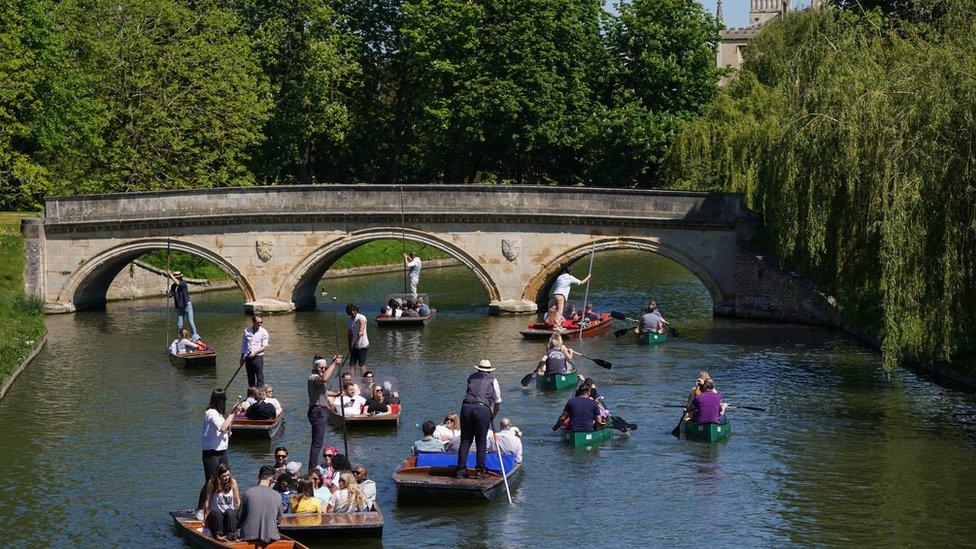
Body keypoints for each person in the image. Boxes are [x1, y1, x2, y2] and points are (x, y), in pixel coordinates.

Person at [197, 390, 242, 514]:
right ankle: (200, 509)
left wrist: (230, 427)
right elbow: (222, 427)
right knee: (210, 481)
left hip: (222, 450)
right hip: (211, 452)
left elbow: (225, 428)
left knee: (225, 478)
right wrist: (232, 413)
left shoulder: (219, 414)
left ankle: (221, 505)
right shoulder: (210, 413)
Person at [457, 359, 502, 478]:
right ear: (490, 371)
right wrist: (492, 415)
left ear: (478, 369)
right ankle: (480, 471)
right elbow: (497, 403)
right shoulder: (493, 380)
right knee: (481, 441)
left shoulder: (471, 377)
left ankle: (461, 471)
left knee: (465, 440)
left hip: (466, 407)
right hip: (482, 410)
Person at [307, 354, 341, 469]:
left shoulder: (319, 379)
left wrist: (335, 394)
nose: (323, 369)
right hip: (317, 411)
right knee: (317, 444)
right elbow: (325, 379)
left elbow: (324, 392)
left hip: (321, 410)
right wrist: (334, 364)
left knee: (317, 443)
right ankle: (312, 469)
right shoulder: (313, 377)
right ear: (315, 367)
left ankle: (313, 468)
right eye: (321, 367)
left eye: (325, 368)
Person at [238, 465, 283, 544]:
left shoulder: (248, 493)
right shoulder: (277, 495)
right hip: (271, 537)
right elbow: (279, 519)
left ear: (259, 476)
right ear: (272, 478)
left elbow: (239, 517)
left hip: (248, 537)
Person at [203, 463, 240, 540]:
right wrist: (205, 520)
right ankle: (218, 536)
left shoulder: (233, 482)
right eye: (224, 476)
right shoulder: (212, 483)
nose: (227, 478)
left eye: (228, 475)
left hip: (228, 517)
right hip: (215, 518)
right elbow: (207, 502)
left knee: (230, 511)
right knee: (217, 512)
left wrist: (239, 520)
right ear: (218, 476)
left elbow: (237, 502)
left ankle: (231, 535)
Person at [167, 270, 199, 339]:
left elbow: (178, 283)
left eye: (177, 277)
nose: (176, 279)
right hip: (180, 307)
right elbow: (170, 295)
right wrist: (168, 292)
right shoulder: (173, 286)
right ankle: (180, 338)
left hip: (187, 305)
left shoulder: (183, 283)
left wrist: (171, 275)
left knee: (191, 322)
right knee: (179, 325)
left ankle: (195, 337)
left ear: (179, 277)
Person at [240, 315, 269, 388]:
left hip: (258, 357)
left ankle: (259, 394)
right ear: (253, 322)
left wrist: (254, 352)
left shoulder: (264, 332)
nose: (259, 324)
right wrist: (242, 357)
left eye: (261, 322)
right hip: (248, 357)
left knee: (260, 377)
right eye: (258, 322)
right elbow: (244, 345)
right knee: (250, 377)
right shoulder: (246, 331)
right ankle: (251, 394)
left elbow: (264, 346)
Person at [346, 304, 369, 369]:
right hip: (354, 346)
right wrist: (349, 346)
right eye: (350, 311)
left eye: (354, 310)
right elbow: (349, 334)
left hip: (363, 345)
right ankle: (350, 379)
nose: (352, 312)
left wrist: (361, 331)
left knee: (361, 364)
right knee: (351, 364)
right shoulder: (349, 320)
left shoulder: (361, 317)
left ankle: (364, 378)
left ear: (356, 310)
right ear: (348, 312)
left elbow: (362, 323)